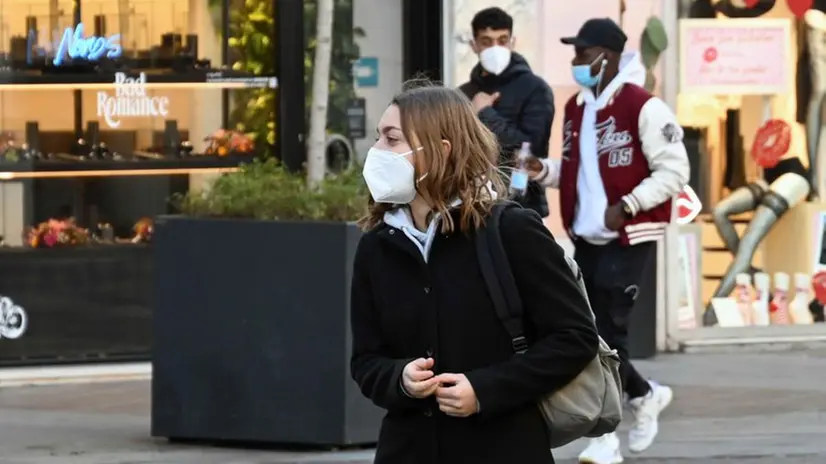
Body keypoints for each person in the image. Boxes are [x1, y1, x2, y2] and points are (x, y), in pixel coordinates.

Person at [350, 82, 599, 464]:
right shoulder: (377, 246)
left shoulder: (511, 231)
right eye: (378, 138)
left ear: (440, 150)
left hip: (503, 446)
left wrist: (485, 389)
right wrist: (400, 379)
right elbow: (366, 360)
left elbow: (574, 337)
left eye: (391, 138)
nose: (377, 151)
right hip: (408, 449)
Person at [525, 18, 690, 464]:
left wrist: (630, 205)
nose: (576, 61)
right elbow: (576, 170)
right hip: (589, 238)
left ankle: (605, 437)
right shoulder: (578, 107)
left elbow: (676, 171)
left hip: (628, 235)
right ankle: (645, 394)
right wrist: (544, 171)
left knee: (607, 333)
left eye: (583, 53)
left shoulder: (644, 106)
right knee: (588, 333)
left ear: (609, 56)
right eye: (574, 53)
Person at [458, 6, 555, 218]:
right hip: (472, 208)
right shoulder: (463, 94)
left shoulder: (535, 89)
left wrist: (485, 114)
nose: (495, 48)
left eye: (502, 40)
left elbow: (532, 149)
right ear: (474, 45)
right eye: (486, 41)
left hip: (523, 208)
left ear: (512, 42)